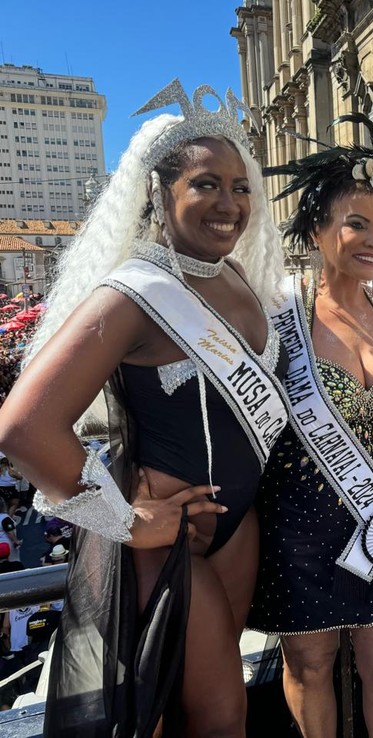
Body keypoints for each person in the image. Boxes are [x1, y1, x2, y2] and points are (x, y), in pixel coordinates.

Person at [0, 79, 288, 736]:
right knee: (221, 719)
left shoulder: (236, 277)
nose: (230, 204)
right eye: (205, 184)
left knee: (199, 712)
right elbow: (22, 426)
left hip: (236, 528)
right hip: (169, 538)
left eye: (240, 187)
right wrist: (126, 522)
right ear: (159, 192)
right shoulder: (134, 292)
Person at [248, 115, 373, 738]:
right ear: (316, 230)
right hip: (299, 522)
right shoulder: (276, 312)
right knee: (309, 667)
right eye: (357, 224)